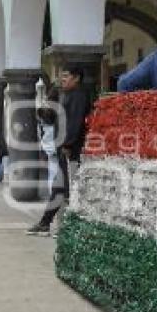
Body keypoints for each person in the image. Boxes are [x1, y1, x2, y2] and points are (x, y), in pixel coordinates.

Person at [27, 65, 92, 236]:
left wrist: (68, 145)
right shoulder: (65, 94)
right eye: (61, 76)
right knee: (60, 187)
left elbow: (75, 123)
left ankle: (53, 224)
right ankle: (46, 223)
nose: (62, 79)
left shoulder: (78, 95)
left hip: (71, 150)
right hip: (63, 148)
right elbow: (52, 119)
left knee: (65, 187)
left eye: (66, 76)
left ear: (76, 78)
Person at [37, 88, 60, 200]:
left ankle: (52, 196)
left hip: (48, 146)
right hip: (56, 145)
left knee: (52, 172)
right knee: (58, 173)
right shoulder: (57, 111)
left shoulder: (43, 111)